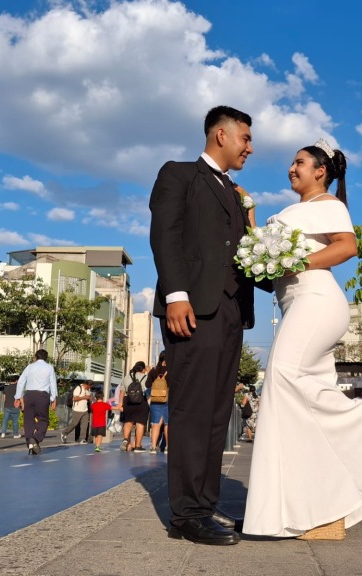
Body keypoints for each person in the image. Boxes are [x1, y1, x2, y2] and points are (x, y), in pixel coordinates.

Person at [243, 140, 362, 540]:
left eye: (299, 162)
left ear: (321, 170)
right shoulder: (293, 211)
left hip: (316, 301)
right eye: (292, 162)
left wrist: (296, 262)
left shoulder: (330, 204)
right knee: (298, 398)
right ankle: (318, 509)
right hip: (297, 304)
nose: (291, 168)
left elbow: (347, 247)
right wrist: (249, 215)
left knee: (281, 377)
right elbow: (266, 264)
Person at [150, 105, 262, 546]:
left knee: (217, 413)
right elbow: (165, 234)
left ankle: (205, 502)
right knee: (193, 410)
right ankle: (186, 516)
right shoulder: (178, 174)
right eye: (245, 139)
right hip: (192, 307)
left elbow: (244, 253)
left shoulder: (235, 192)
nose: (250, 148)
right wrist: (176, 295)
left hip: (232, 312)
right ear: (221, 135)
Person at [14, 349, 58, 455]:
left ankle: (30, 444)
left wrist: (18, 397)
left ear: (35, 357)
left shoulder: (29, 367)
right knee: (43, 419)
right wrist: (53, 398)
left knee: (28, 420)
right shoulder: (49, 368)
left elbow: (21, 381)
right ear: (46, 358)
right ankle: (36, 438)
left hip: (29, 395)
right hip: (42, 396)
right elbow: (53, 383)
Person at [118, 361, 150, 452]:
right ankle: (138, 446)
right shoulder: (146, 377)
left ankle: (125, 439)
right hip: (141, 401)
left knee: (128, 421)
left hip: (128, 400)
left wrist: (120, 403)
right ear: (143, 369)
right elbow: (149, 390)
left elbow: (122, 391)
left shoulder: (127, 377)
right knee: (140, 423)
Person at [147, 352, 169, 454]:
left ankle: (153, 447)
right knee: (167, 424)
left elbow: (147, 384)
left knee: (156, 424)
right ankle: (168, 447)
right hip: (168, 399)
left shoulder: (153, 371)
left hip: (155, 400)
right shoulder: (171, 370)